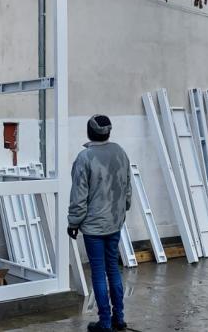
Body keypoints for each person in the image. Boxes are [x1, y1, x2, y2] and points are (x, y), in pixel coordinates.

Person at [67, 114, 132, 332]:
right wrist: (122, 210)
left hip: (94, 226)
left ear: (89, 132)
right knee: (113, 268)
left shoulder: (85, 158)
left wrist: (73, 222)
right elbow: (127, 187)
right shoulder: (120, 152)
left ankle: (105, 322)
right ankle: (119, 318)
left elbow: (79, 196)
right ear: (108, 132)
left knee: (98, 271)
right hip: (114, 222)